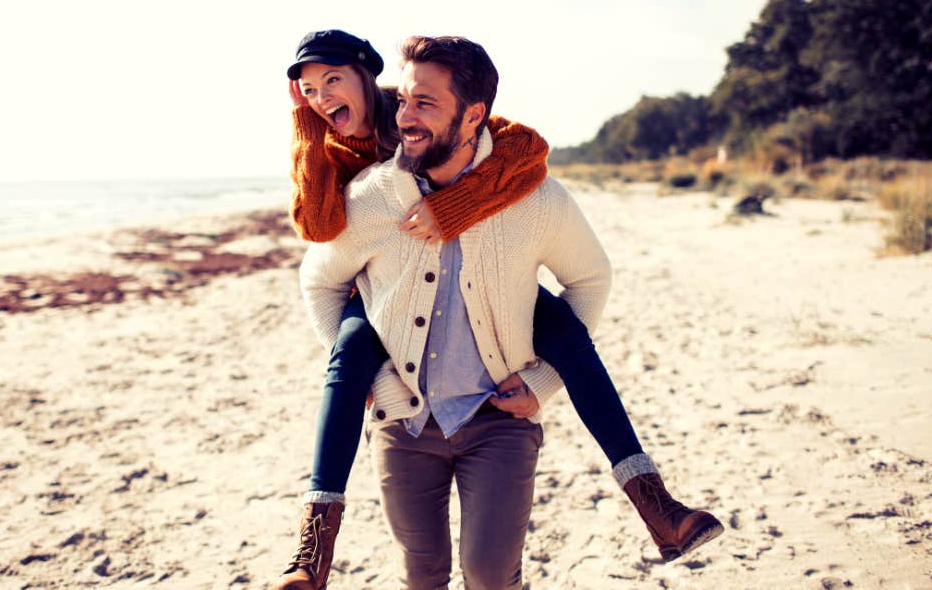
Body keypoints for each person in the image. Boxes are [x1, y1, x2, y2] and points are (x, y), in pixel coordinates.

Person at [275, 31, 722, 590]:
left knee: (491, 576)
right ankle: (313, 549)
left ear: (474, 116)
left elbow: (582, 263)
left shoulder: (530, 195)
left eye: (425, 103)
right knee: (421, 575)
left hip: (498, 423)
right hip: (405, 419)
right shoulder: (365, 186)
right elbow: (317, 260)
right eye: (406, 100)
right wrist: (380, 382)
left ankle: (655, 501)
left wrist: (543, 379)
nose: (407, 116)